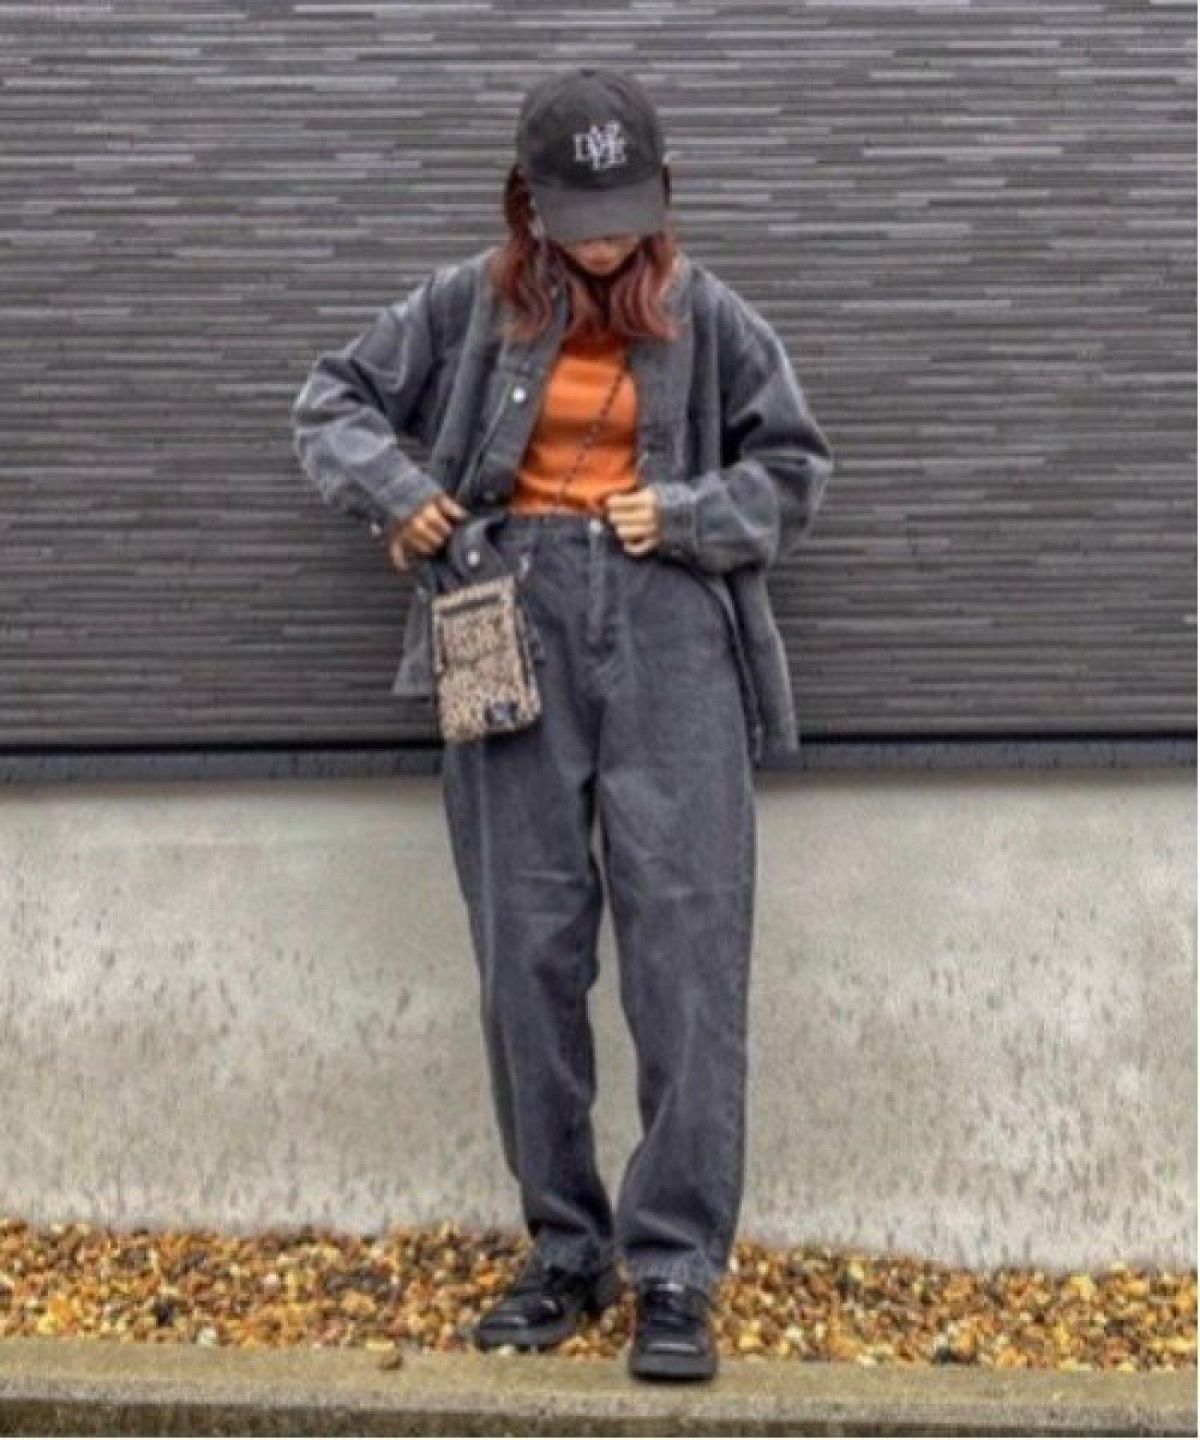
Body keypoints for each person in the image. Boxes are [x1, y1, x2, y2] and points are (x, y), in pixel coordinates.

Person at [291, 64, 834, 1384]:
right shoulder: (465, 304)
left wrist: (688, 513)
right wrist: (402, 497)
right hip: (499, 610)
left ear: (664, 196)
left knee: (687, 953)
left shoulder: (711, 316)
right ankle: (566, 1249)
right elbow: (330, 402)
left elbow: (793, 468)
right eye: (579, 217)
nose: (603, 243)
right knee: (525, 954)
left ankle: (675, 1267)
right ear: (526, 203)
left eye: (627, 214)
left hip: (672, 628)